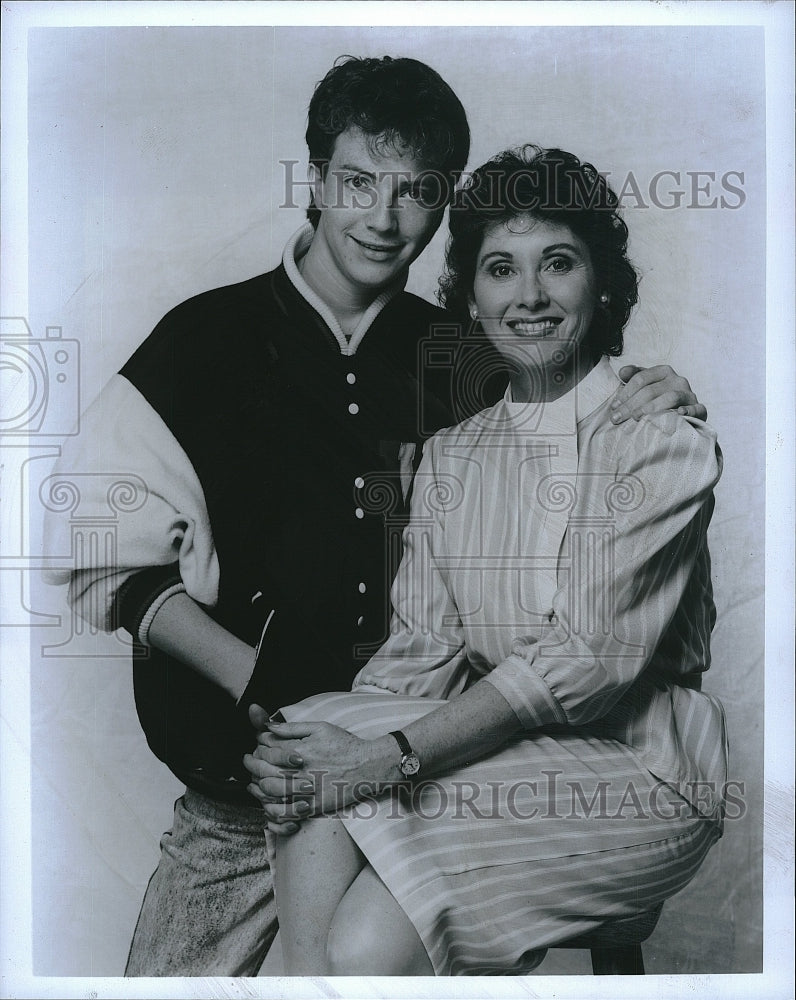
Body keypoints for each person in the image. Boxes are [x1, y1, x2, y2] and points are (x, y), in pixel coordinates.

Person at [42, 57, 707, 976]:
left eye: (417, 193)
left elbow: (567, 381)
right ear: (315, 181)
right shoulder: (204, 340)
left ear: (441, 214)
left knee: (377, 960)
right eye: (358, 183)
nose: (384, 218)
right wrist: (264, 691)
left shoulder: (465, 357)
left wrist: (658, 386)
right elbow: (104, 558)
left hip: (445, 761)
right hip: (257, 770)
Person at [244, 145, 728, 977]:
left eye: (559, 264)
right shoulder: (451, 458)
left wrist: (387, 756)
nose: (529, 295)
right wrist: (314, 746)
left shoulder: (657, 435)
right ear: (470, 297)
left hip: (641, 772)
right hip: (512, 754)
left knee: (364, 945)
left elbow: (585, 663)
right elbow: (414, 664)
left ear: (602, 284)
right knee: (317, 751)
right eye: (501, 268)